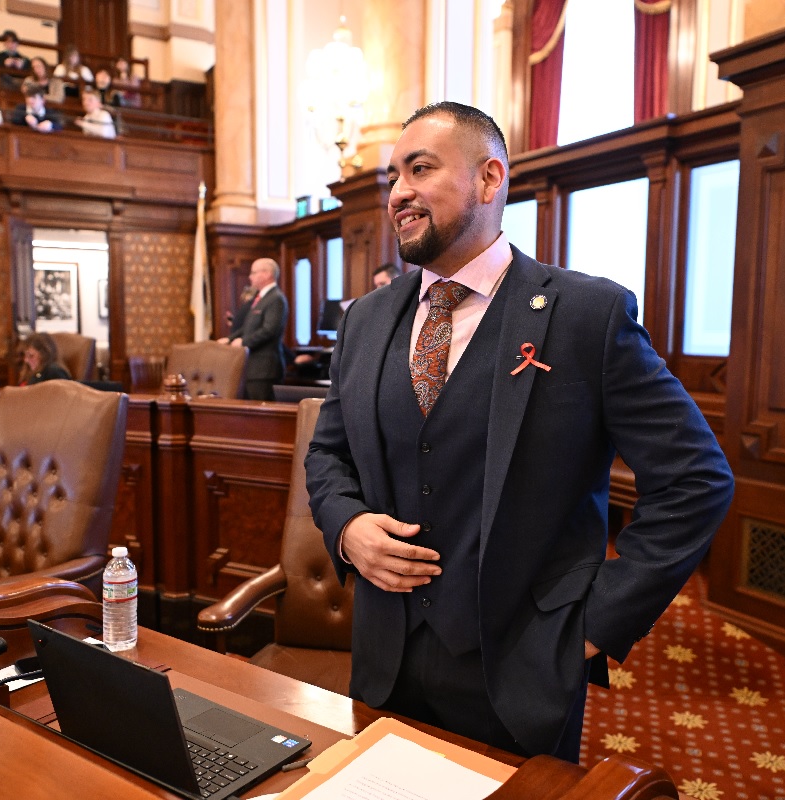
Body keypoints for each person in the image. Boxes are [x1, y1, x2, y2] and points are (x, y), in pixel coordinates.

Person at [304, 102, 734, 762]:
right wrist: (347, 527)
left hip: (521, 670)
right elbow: (328, 454)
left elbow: (696, 481)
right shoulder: (364, 319)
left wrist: (593, 625)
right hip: (385, 660)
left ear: (489, 178)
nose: (398, 193)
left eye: (420, 169)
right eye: (393, 177)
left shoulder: (587, 314)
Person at [217, 258, 288, 401]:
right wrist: (229, 339)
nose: (250, 277)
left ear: (267, 274)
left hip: (264, 370)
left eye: (254, 273)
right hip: (251, 368)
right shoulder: (260, 298)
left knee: (261, 412)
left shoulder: (276, 298)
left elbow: (269, 330)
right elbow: (248, 326)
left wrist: (243, 342)